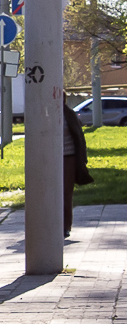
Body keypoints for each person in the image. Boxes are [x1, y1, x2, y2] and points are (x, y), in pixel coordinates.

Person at [62, 100, 95, 237]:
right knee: (50, 193)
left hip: (68, 158)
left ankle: (65, 226)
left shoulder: (69, 115)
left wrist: (82, 160)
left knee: (66, 193)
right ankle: (51, 223)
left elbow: (79, 138)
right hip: (50, 160)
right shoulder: (45, 114)